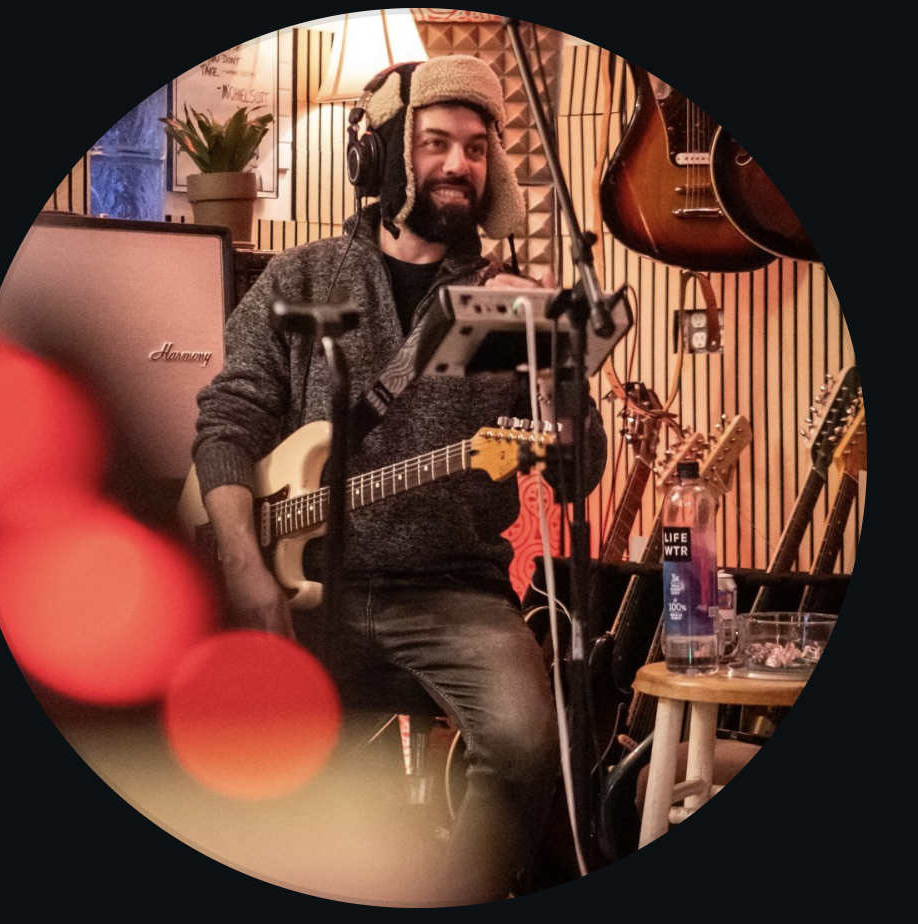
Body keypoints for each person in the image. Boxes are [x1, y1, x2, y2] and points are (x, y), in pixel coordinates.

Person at [190, 54, 607, 905]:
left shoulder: (512, 303)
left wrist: (560, 365)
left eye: (476, 148)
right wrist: (241, 566)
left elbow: (579, 471)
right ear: (379, 155)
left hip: (455, 591)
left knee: (533, 747)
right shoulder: (301, 276)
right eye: (433, 142)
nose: (459, 164)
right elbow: (228, 421)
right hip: (305, 587)